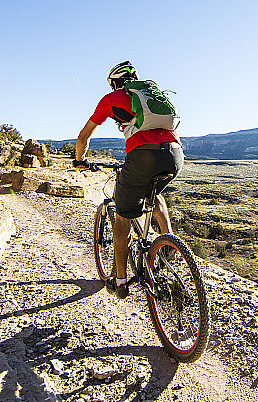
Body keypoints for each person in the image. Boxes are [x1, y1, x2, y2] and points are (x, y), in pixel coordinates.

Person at [74, 61, 184, 299]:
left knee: (123, 217)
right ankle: (170, 244)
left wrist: (80, 159)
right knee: (152, 194)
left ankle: (121, 281)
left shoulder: (111, 99)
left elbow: (84, 136)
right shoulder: (150, 95)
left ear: (115, 83)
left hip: (144, 155)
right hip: (175, 154)